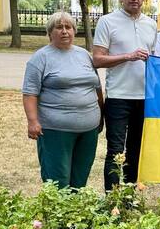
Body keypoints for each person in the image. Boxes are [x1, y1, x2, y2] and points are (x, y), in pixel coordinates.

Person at [23, 12, 103, 189]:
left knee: (80, 178)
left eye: (68, 27)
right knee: (57, 179)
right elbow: (30, 93)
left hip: (88, 130)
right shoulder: (40, 58)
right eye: (59, 27)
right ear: (50, 32)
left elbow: (96, 86)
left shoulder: (84, 55)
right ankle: (58, 215)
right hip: (55, 130)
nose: (64, 31)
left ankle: (75, 215)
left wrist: (101, 115)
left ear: (74, 31)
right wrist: (33, 121)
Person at [93, 0, 157, 190]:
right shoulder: (107, 21)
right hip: (119, 96)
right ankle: (113, 200)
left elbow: (155, 61)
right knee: (115, 151)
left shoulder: (151, 24)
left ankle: (130, 199)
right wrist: (128, 56)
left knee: (136, 150)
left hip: (144, 97)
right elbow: (97, 59)